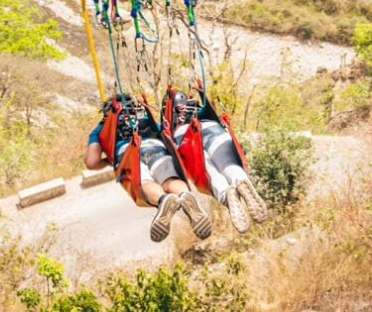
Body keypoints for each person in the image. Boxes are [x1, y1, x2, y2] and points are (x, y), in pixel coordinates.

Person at [84, 94, 211, 242]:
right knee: (169, 179)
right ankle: (184, 194)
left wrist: (108, 161)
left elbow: (91, 162)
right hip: (157, 147)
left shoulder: (101, 128)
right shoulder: (142, 115)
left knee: (144, 183)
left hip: (129, 153)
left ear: (107, 112)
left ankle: (163, 199)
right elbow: (162, 132)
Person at [169, 90, 267, 233]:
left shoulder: (171, 124)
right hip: (212, 127)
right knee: (228, 163)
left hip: (185, 137)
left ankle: (225, 194)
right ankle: (240, 180)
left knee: (209, 172)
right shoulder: (203, 112)